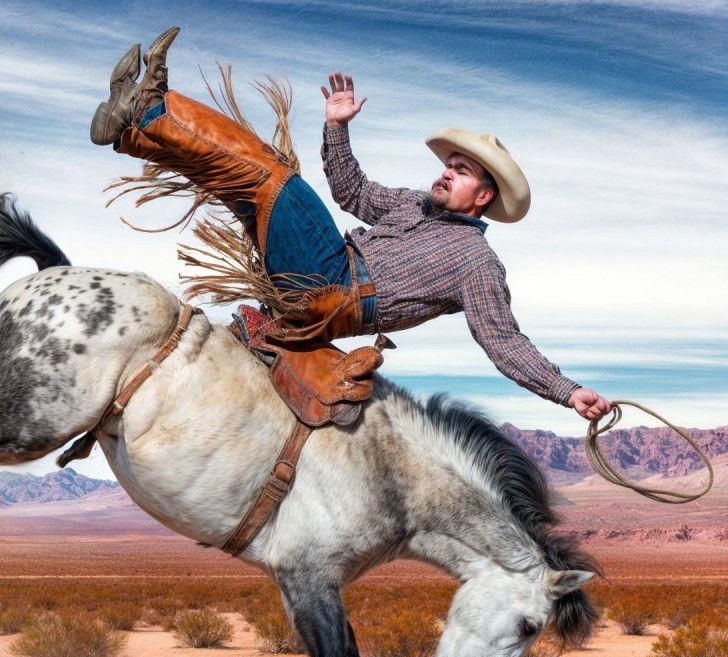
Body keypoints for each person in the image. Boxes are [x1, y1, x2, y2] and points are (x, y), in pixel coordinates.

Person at [90, 28, 612, 422]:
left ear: (484, 195)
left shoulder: (477, 263)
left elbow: (504, 341)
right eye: (449, 164)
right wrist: (337, 128)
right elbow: (353, 191)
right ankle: (133, 132)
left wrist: (565, 392)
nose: (446, 172)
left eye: (461, 170)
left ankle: (152, 105)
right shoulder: (414, 204)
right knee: (247, 179)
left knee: (274, 177)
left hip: (332, 284)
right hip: (319, 267)